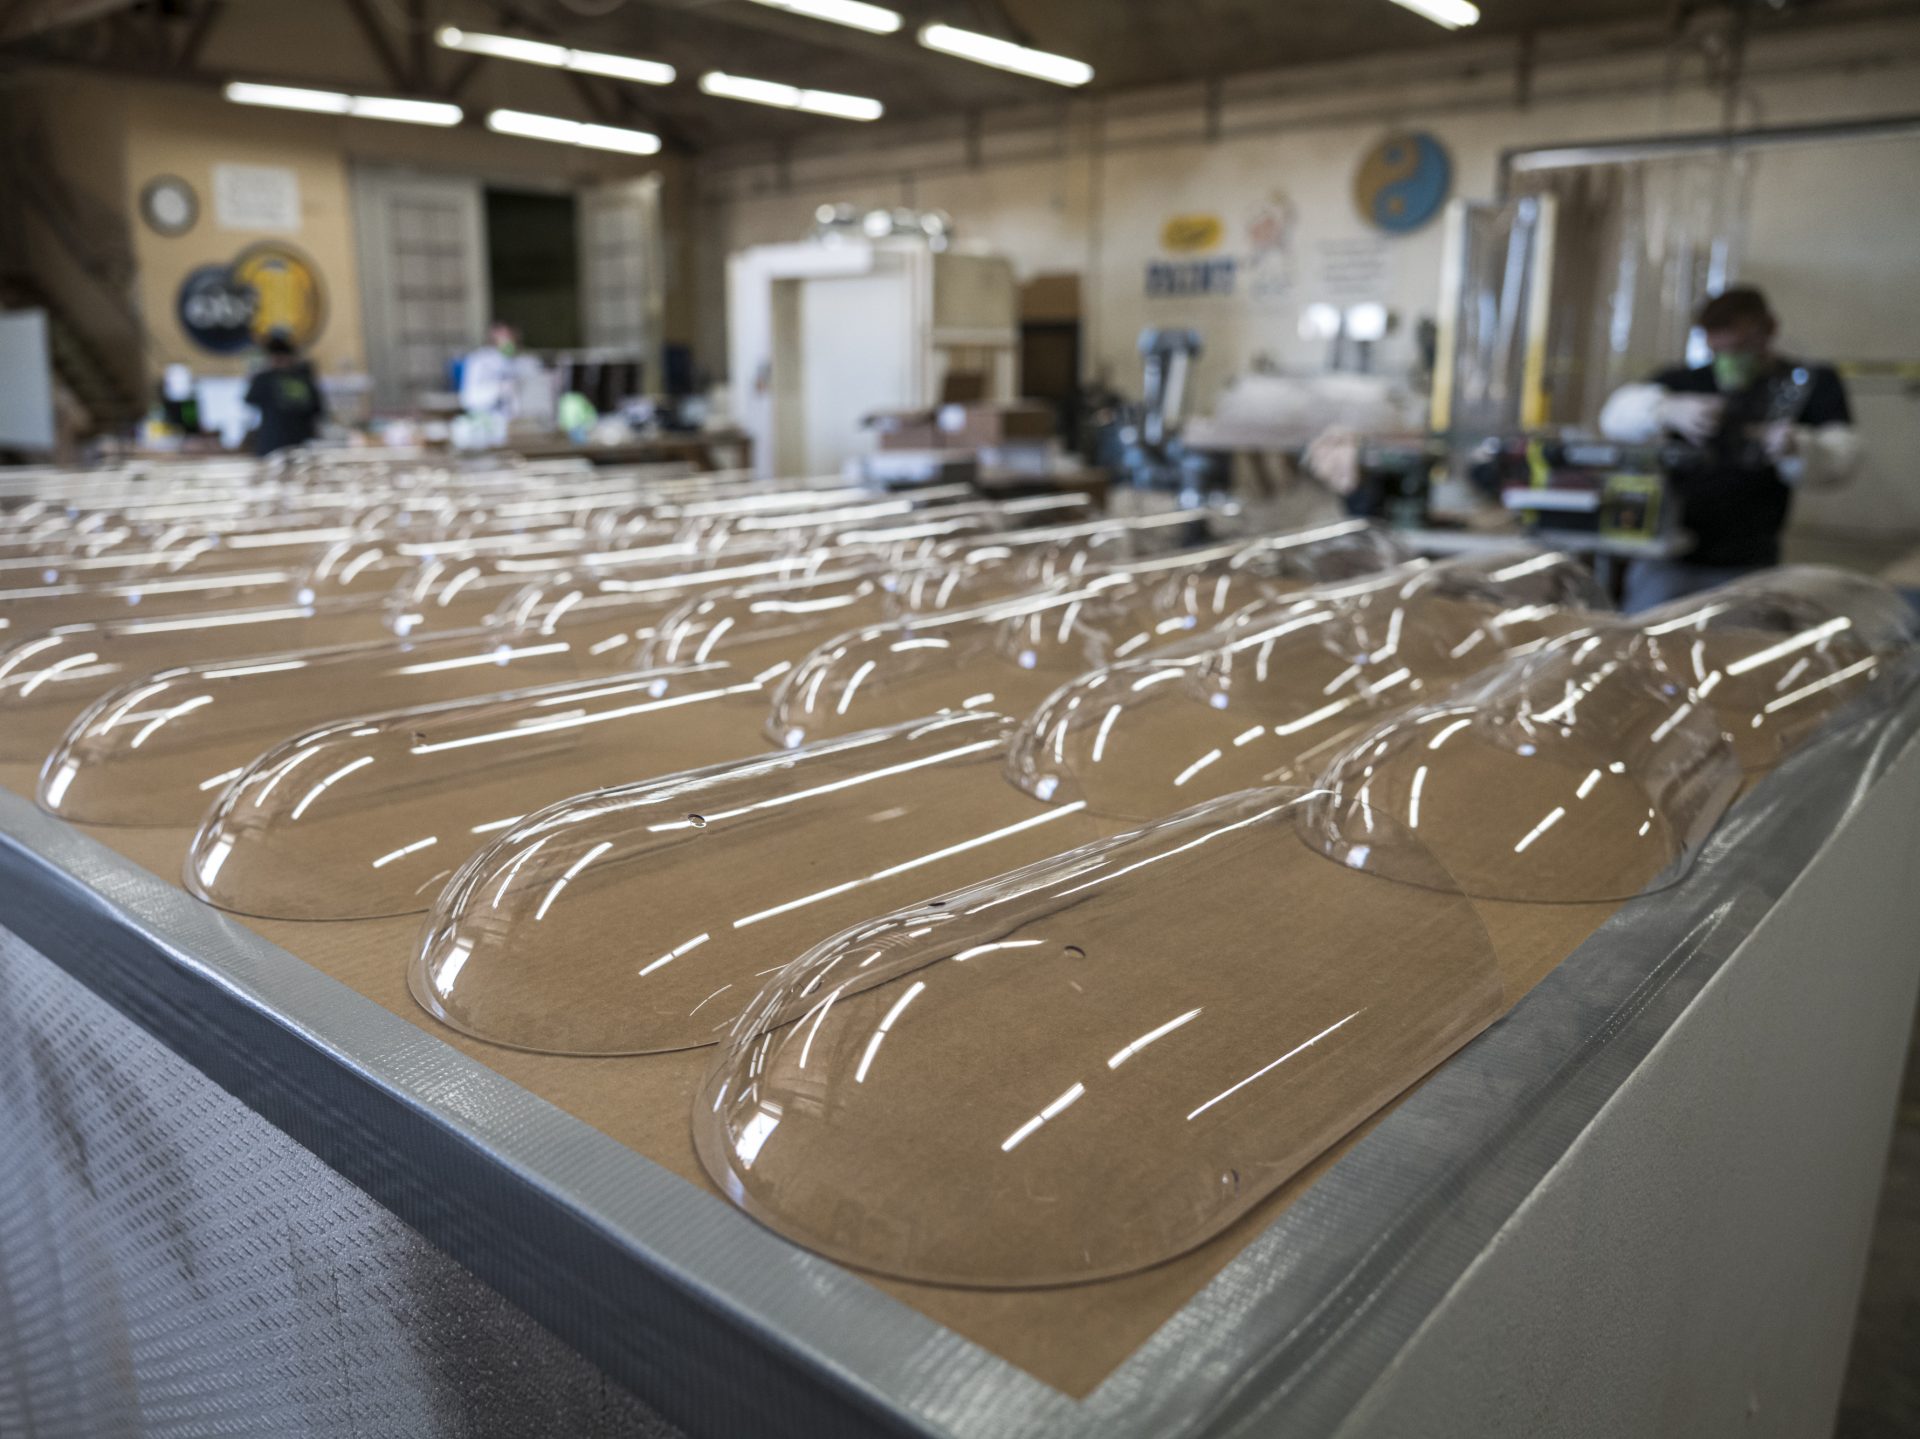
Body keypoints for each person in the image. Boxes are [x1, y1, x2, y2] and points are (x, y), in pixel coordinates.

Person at [1599, 285, 1860, 610]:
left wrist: (1798, 446)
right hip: (1673, 558)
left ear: (1769, 330)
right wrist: (1665, 410)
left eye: (1739, 348)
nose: (1729, 360)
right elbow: (1614, 416)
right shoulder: (1687, 382)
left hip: (1751, 560)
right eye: (1718, 351)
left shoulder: (1806, 384)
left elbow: (1842, 457)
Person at [243, 333, 326, 456]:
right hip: (301, 443)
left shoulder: (265, 378)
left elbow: (250, 400)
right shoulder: (304, 377)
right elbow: (318, 410)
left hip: (273, 443)